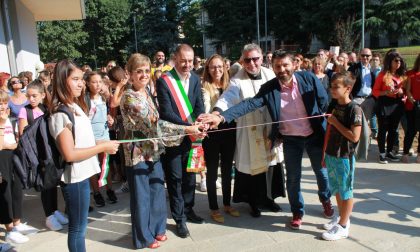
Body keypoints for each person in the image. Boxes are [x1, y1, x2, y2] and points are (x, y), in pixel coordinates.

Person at [201, 50, 333, 230]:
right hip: (291, 139)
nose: (282, 70)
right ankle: (297, 212)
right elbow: (247, 104)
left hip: (314, 136)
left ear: (294, 64)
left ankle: (325, 199)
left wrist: (319, 120)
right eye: (278, 66)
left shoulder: (308, 79)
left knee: (321, 173)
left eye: (285, 65)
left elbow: (324, 100)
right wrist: (221, 117)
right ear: (273, 67)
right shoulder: (270, 87)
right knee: (293, 178)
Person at [120, 53, 205, 249]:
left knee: (157, 189)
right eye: (138, 72)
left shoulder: (147, 92)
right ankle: (143, 237)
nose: (143, 75)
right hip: (137, 152)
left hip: (153, 149)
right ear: (130, 74)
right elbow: (155, 125)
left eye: (145, 71)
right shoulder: (128, 97)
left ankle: (158, 229)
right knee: (142, 197)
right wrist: (186, 129)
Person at [48, 59, 119, 251]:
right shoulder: (60, 113)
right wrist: (101, 148)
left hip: (82, 175)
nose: (81, 83)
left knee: (81, 228)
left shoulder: (75, 106)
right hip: (74, 178)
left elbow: (82, 142)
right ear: (63, 81)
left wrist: (102, 143)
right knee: (78, 229)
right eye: (75, 79)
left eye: (81, 79)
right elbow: (69, 154)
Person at [210, 44, 285, 218]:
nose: (252, 63)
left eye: (255, 59)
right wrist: (216, 112)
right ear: (242, 61)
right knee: (252, 168)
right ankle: (253, 202)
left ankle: (268, 199)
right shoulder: (237, 80)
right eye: (247, 60)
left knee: (271, 166)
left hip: (268, 127)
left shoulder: (270, 74)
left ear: (262, 58)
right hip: (249, 130)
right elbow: (227, 98)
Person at [156, 44, 205, 238]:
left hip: (193, 136)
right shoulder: (165, 81)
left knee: (191, 175)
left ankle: (189, 209)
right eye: (183, 60)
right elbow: (166, 112)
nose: (187, 64)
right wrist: (188, 127)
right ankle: (179, 218)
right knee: (175, 178)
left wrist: (201, 122)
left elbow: (199, 105)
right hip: (174, 138)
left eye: (190, 61)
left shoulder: (195, 78)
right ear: (175, 59)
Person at [17, 80, 69, 231]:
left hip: (49, 152)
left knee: (52, 183)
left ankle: (54, 211)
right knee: (45, 185)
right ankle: (49, 216)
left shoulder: (46, 108)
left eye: (34, 96)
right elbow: (23, 134)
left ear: (42, 95)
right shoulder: (24, 111)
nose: (31, 99)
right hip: (37, 155)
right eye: (29, 96)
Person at [321, 71, 362, 241]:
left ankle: (344, 226)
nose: (332, 89)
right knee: (337, 188)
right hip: (332, 154)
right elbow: (329, 132)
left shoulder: (355, 108)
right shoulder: (335, 105)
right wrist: (324, 154)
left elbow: (355, 136)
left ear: (348, 88)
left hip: (344, 156)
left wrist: (335, 122)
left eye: (336, 86)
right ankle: (341, 218)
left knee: (346, 191)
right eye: (331, 86)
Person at [201, 54, 239, 223]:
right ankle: (214, 207)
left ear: (225, 67)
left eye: (219, 66)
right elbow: (206, 111)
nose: (216, 70)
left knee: (227, 169)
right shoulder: (205, 88)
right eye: (212, 67)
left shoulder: (231, 86)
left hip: (230, 131)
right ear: (208, 70)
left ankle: (227, 203)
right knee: (212, 172)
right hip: (213, 135)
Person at [0, 90, 39, 245]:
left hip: (12, 156)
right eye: (0, 104)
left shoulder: (8, 119)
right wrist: (3, 126)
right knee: (5, 194)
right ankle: (9, 229)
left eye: (4, 103)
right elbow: (1, 145)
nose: (3, 107)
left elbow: (15, 139)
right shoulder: (3, 121)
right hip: (2, 158)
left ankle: (17, 223)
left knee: (16, 190)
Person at [84, 72, 118, 207]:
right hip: (91, 137)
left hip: (104, 136)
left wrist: (109, 119)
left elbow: (106, 116)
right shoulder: (85, 100)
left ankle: (109, 189)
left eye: (100, 81)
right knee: (93, 166)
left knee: (106, 164)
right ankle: (97, 192)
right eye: (94, 82)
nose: (98, 85)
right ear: (87, 83)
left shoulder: (104, 98)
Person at [372, 50, 407, 164]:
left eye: (400, 61)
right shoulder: (382, 75)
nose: (398, 63)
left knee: (393, 129)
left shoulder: (401, 75)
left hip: (397, 104)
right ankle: (382, 153)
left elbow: (406, 91)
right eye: (396, 60)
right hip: (384, 104)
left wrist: (402, 91)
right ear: (390, 62)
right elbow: (375, 91)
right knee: (383, 129)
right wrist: (386, 92)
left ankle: (390, 152)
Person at [348, 48, 377, 126]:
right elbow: (347, 83)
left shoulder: (373, 69)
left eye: (367, 55)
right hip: (356, 99)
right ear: (359, 56)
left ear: (371, 57)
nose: (365, 57)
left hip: (369, 99)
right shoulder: (354, 68)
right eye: (363, 55)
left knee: (365, 123)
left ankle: (365, 138)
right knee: (356, 123)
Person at [401, 53, 420, 163]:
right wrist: (414, 102)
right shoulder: (411, 74)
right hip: (411, 107)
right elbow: (407, 90)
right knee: (410, 131)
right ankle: (405, 153)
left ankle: (419, 155)